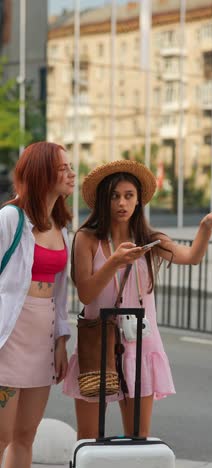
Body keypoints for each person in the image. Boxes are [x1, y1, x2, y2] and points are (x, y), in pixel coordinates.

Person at [63, 159, 212, 439]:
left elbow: (191, 257)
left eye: (129, 196)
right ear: (103, 201)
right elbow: (85, 293)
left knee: (137, 439)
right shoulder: (87, 238)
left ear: (138, 201)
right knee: (89, 439)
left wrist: (205, 227)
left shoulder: (149, 239)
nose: (122, 203)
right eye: (115, 196)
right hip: (98, 344)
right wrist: (114, 262)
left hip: (139, 343)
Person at [0, 141, 75, 468]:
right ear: (43, 173)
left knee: (24, 437)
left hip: (41, 339)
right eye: (64, 168)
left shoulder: (62, 227)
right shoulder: (10, 218)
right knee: (0, 437)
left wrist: (60, 341)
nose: (72, 174)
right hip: (8, 337)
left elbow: (60, 296)